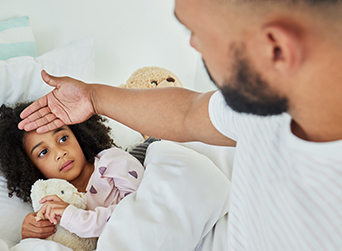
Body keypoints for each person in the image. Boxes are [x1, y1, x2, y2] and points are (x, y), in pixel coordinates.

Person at [18, 0, 342, 250]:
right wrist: (93, 97)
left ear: (276, 48)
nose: (193, 45)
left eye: (198, 33)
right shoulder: (266, 103)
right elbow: (187, 112)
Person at [0, 102, 144, 239]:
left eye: (63, 138)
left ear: (78, 134)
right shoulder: (51, 203)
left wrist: (74, 217)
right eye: (44, 152)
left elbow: (140, 211)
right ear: (30, 167)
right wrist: (30, 233)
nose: (60, 153)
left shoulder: (113, 162)